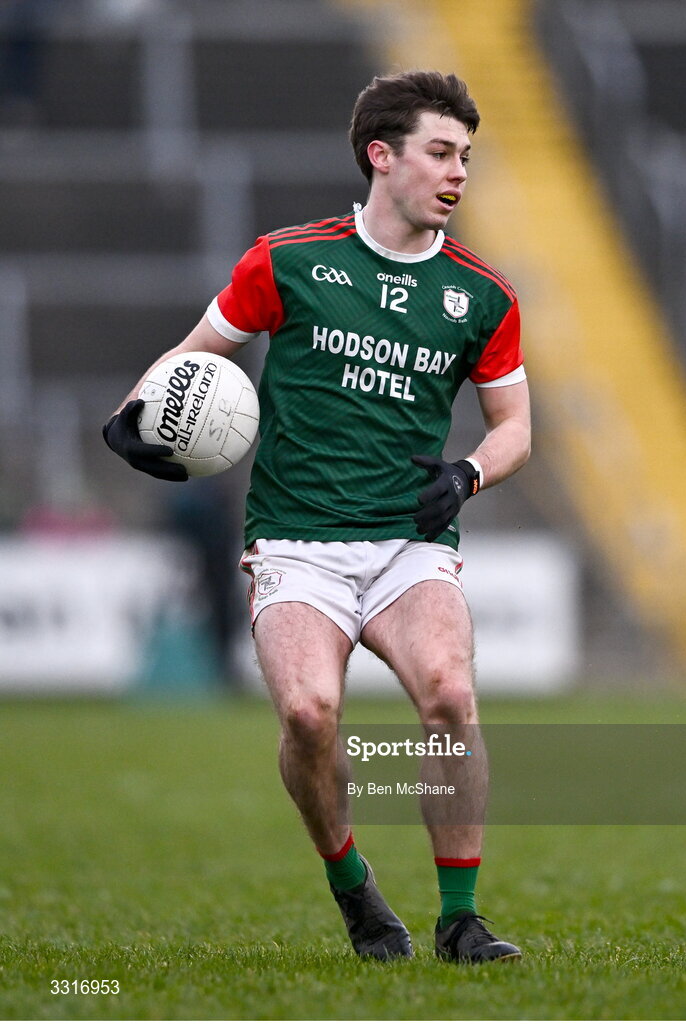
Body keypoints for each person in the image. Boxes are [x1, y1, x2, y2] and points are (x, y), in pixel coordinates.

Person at [104, 70, 531, 963]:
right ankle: (355, 892)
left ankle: (461, 919)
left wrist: (468, 477)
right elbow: (193, 357)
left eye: (466, 157)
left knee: (451, 696)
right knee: (307, 714)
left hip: (409, 544)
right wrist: (132, 420)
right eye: (440, 153)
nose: (459, 173)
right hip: (295, 545)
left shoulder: (481, 294)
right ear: (383, 155)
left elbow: (514, 428)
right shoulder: (289, 260)